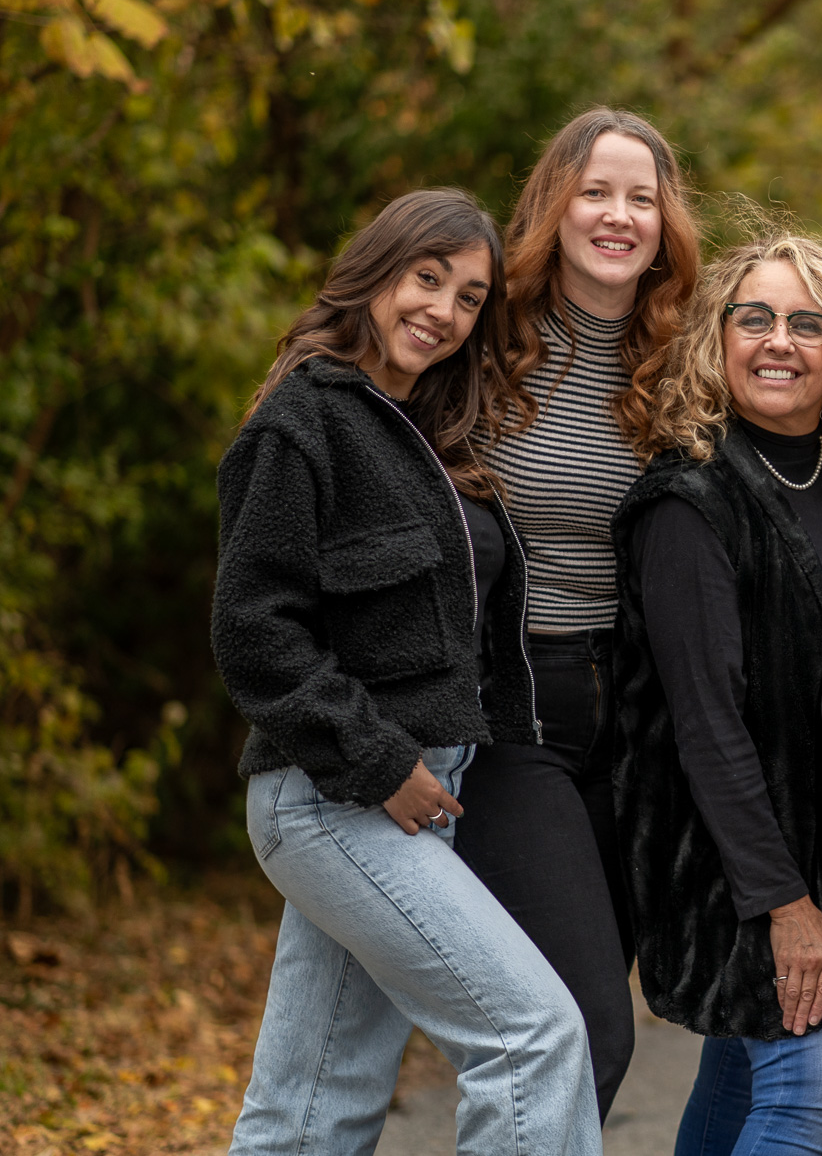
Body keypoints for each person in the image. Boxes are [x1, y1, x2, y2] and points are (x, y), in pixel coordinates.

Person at [211, 188, 601, 1154]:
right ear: (376, 271)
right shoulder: (302, 423)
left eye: (469, 298)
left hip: (397, 793)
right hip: (333, 795)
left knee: (312, 1105)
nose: (443, 310)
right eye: (427, 278)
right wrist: (381, 761)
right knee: (532, 1039)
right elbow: (254, 630)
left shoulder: (423, 432)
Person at [611, 232, 822, 1156]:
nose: (779, 340)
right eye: (756, 318)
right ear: (720, 339)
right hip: (726, 852)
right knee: (804, 1086)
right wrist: (784, 905)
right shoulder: (690, 500)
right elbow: (705, 724)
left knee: (742, 1075)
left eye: (806, 324)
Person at [451, 105, 703, 1116]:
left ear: (666, 223)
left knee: (577, 1047)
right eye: (595, 191)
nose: (618, 214)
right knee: (581, 1026)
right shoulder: (482, 336)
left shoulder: (686, 356)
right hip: (516, 714)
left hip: (637, 724)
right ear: (553, 206)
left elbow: (805, 425)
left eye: (641, 197)